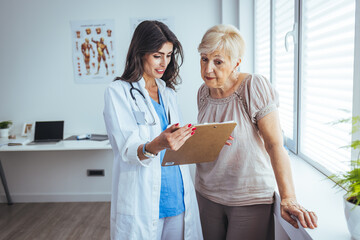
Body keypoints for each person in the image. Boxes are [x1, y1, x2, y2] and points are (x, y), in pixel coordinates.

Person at [195, 24, 318, 240]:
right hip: (207, 195)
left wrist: (288, 197)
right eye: (204, 59)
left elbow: (274, 144)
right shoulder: (203, 93)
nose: (207, 69)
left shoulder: (252, 86)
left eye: (218, 61)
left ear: (236, 63)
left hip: (249, 199)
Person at [103, 20, 203, 240]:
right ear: (140, 53)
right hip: (143, 199)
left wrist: (208, 140)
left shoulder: (168, 93)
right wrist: (159, 143)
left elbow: (177, 142)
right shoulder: (118, 92)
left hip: (176, 196)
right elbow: (127, 150)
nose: (164, 63)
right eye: (158, 55)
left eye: (168, 55)